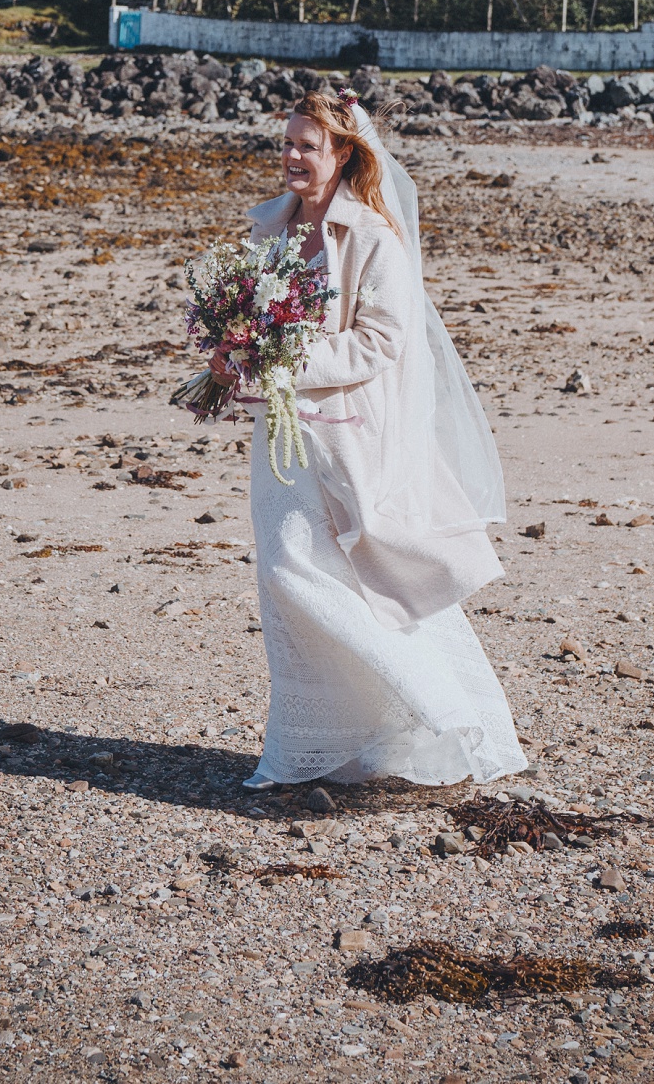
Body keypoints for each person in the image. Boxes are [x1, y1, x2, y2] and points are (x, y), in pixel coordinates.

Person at [210, 88, 526, 790]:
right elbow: (247, 318)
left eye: (307, 145)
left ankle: (443, 713)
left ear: (344, 153)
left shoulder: (376, 236)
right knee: (284, 579)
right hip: (281, 436)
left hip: (347, 433)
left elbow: (383, 340)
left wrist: (284, 362)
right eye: (287, 142)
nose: (292, 156)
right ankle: (323, 748)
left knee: (324, 575)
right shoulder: (268, 229)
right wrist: (232, 359)